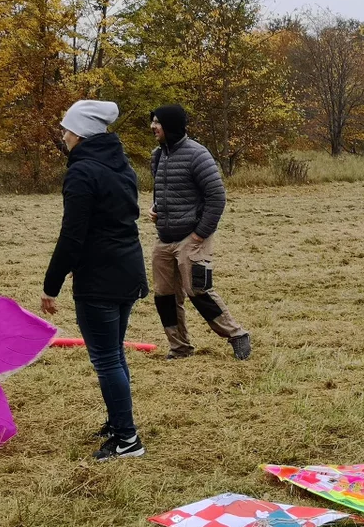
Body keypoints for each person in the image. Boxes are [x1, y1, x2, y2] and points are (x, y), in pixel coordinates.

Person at [42, 99, 149, 461]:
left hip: (101, 280)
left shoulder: (82, 172)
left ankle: (127, 439)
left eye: (67, 129)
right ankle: (119, 422)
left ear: (81, 133)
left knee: (105, 359)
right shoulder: (120, 166)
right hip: (127, 271)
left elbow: (72, 235)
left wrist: (50, 286)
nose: (64, 135)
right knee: (114, 354)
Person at [148, 104, 251, 360]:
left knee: (198, 289)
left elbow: (216, 197)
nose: (152, 127)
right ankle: (180, 347)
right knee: (164, 296)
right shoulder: (157, 156)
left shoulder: (198, 155)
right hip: (165, 238)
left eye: (157, 122)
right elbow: (165, 191)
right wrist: (155, 208)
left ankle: (237, 334)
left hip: (193, 236)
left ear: (170, 126)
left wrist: (199, 235)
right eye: (152, 121)